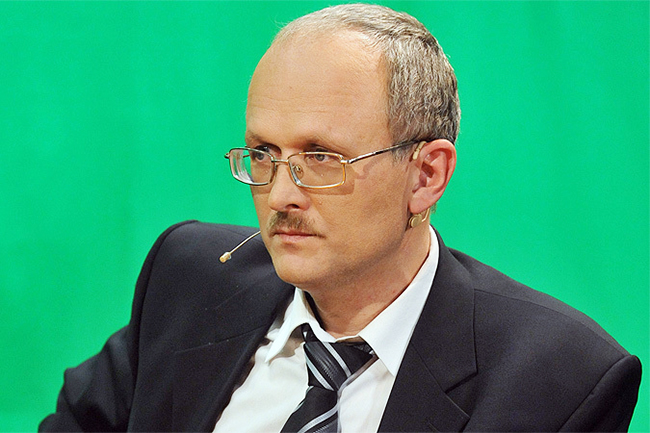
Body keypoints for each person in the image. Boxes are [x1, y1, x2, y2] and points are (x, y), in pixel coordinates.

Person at [40, 4, 641, 432]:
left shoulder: (560, 379)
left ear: (425, 175)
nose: (280, 195)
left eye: (322, 158)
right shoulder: (188, 280)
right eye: (264, 155)